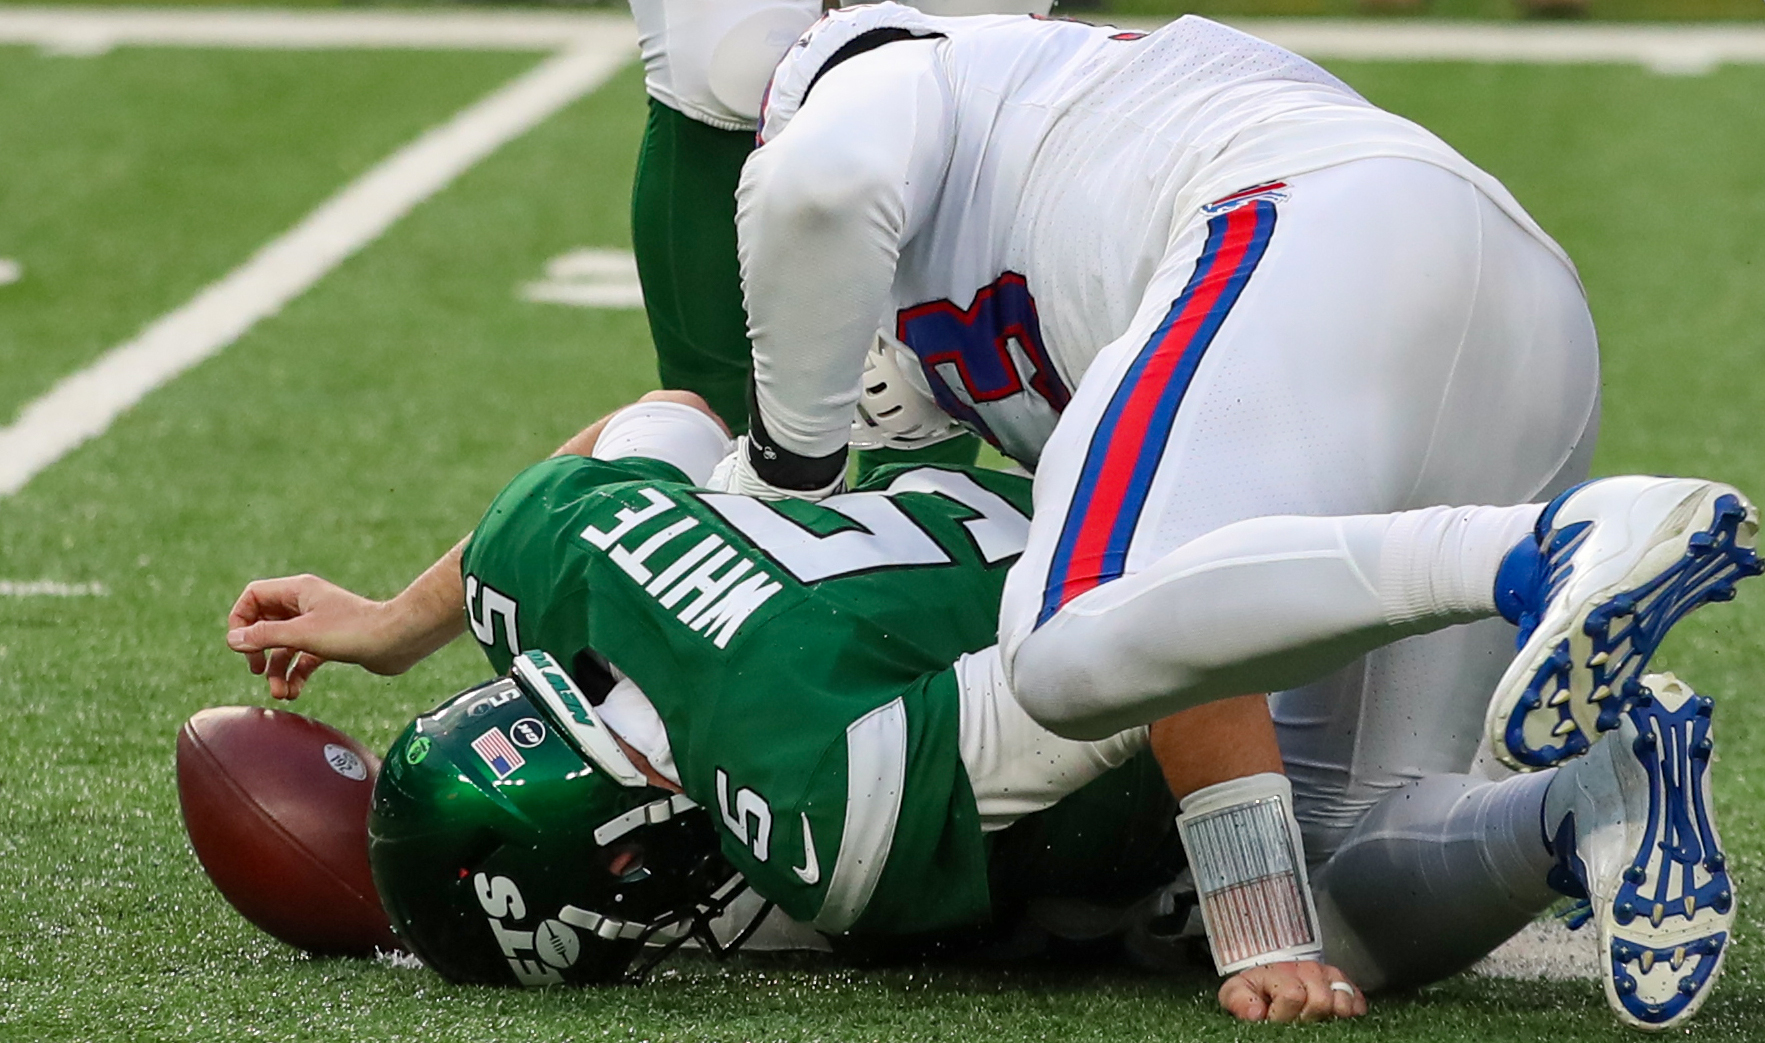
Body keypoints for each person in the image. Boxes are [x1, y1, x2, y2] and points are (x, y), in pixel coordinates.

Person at [696, 7, 1759, 1027]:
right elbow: (1194, 627)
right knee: (1340, 873)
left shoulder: (895, 72)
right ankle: (1599, 797)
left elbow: (821, 190)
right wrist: (1265, 928)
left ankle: (1542, 551)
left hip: (1304, 224)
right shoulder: (1040, 267)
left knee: (1063, 643)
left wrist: (788, 459)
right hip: (1507, 306)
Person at [228, 395, 1742, 1028]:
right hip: (1121, 422)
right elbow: (661, 420)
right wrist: (388, 625)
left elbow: (1158, 639)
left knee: (1309, 901)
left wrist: (1262, 921)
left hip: (1273, 559)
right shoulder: (558, 560)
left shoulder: (820, 797)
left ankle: (1583, 794)